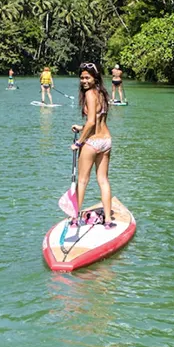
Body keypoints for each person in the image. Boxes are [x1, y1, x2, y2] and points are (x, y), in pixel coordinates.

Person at [71, 62, 115, 229]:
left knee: (82, 181)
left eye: (87, 77)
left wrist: (79, 142)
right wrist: (81, 128)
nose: (84, 81)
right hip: (106, 141)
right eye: (81, 78)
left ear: (95, 78)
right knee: (103, 180)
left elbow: (90, 122)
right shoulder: (102, 93)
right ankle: (109, 220)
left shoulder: (90, 93)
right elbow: (97, 121)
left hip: (93, 142)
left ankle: (75, 219)